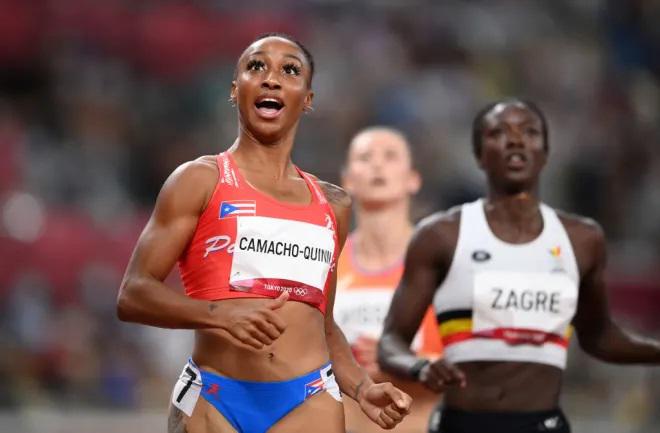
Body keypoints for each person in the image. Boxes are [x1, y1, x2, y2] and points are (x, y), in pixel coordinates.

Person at [117, 33, 412, 433]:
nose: (271, 78)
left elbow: (323, 324)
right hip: (215, 396)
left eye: (290, 70)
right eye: (257, 66)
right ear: (235, 90)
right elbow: (133, 293)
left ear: (307, 99)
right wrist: (219, 315)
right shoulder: (199, 180)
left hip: (308, 398)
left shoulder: (334, 204)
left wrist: (362, 387)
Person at [378, 99, 660, 433]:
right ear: (479, 155)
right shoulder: (441, 236)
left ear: (545, 152)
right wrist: (420, 367)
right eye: (499, 132)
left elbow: (599, 336)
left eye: (529, 132)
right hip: (461, 424)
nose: (515, 140)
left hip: (543, 424)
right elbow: (391, 342)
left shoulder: (582, 240)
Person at [334, 127, 443, 433]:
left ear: (413, 178)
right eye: (365, 157)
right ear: (347, 180)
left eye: (390, 156)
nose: (377, 164)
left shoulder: (442, 264)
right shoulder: (327, 263)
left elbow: (478, 369)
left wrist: (407, 363)